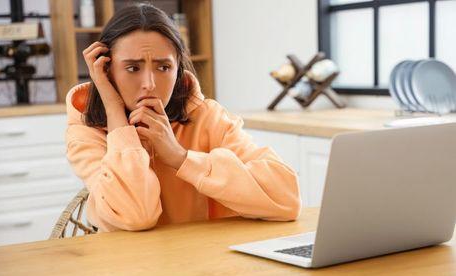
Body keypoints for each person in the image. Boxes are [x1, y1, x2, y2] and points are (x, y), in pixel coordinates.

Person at [65, 3, 301, 232]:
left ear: (178, 68)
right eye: (132, 68)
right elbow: (135, 216)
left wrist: (180, 158)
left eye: (163, 67)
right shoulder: (87, 131)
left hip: (211, 264)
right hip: (128, 268)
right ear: (107, 70)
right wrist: (114, 111)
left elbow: (287, 198)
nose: (149, 84)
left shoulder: (207, 116)